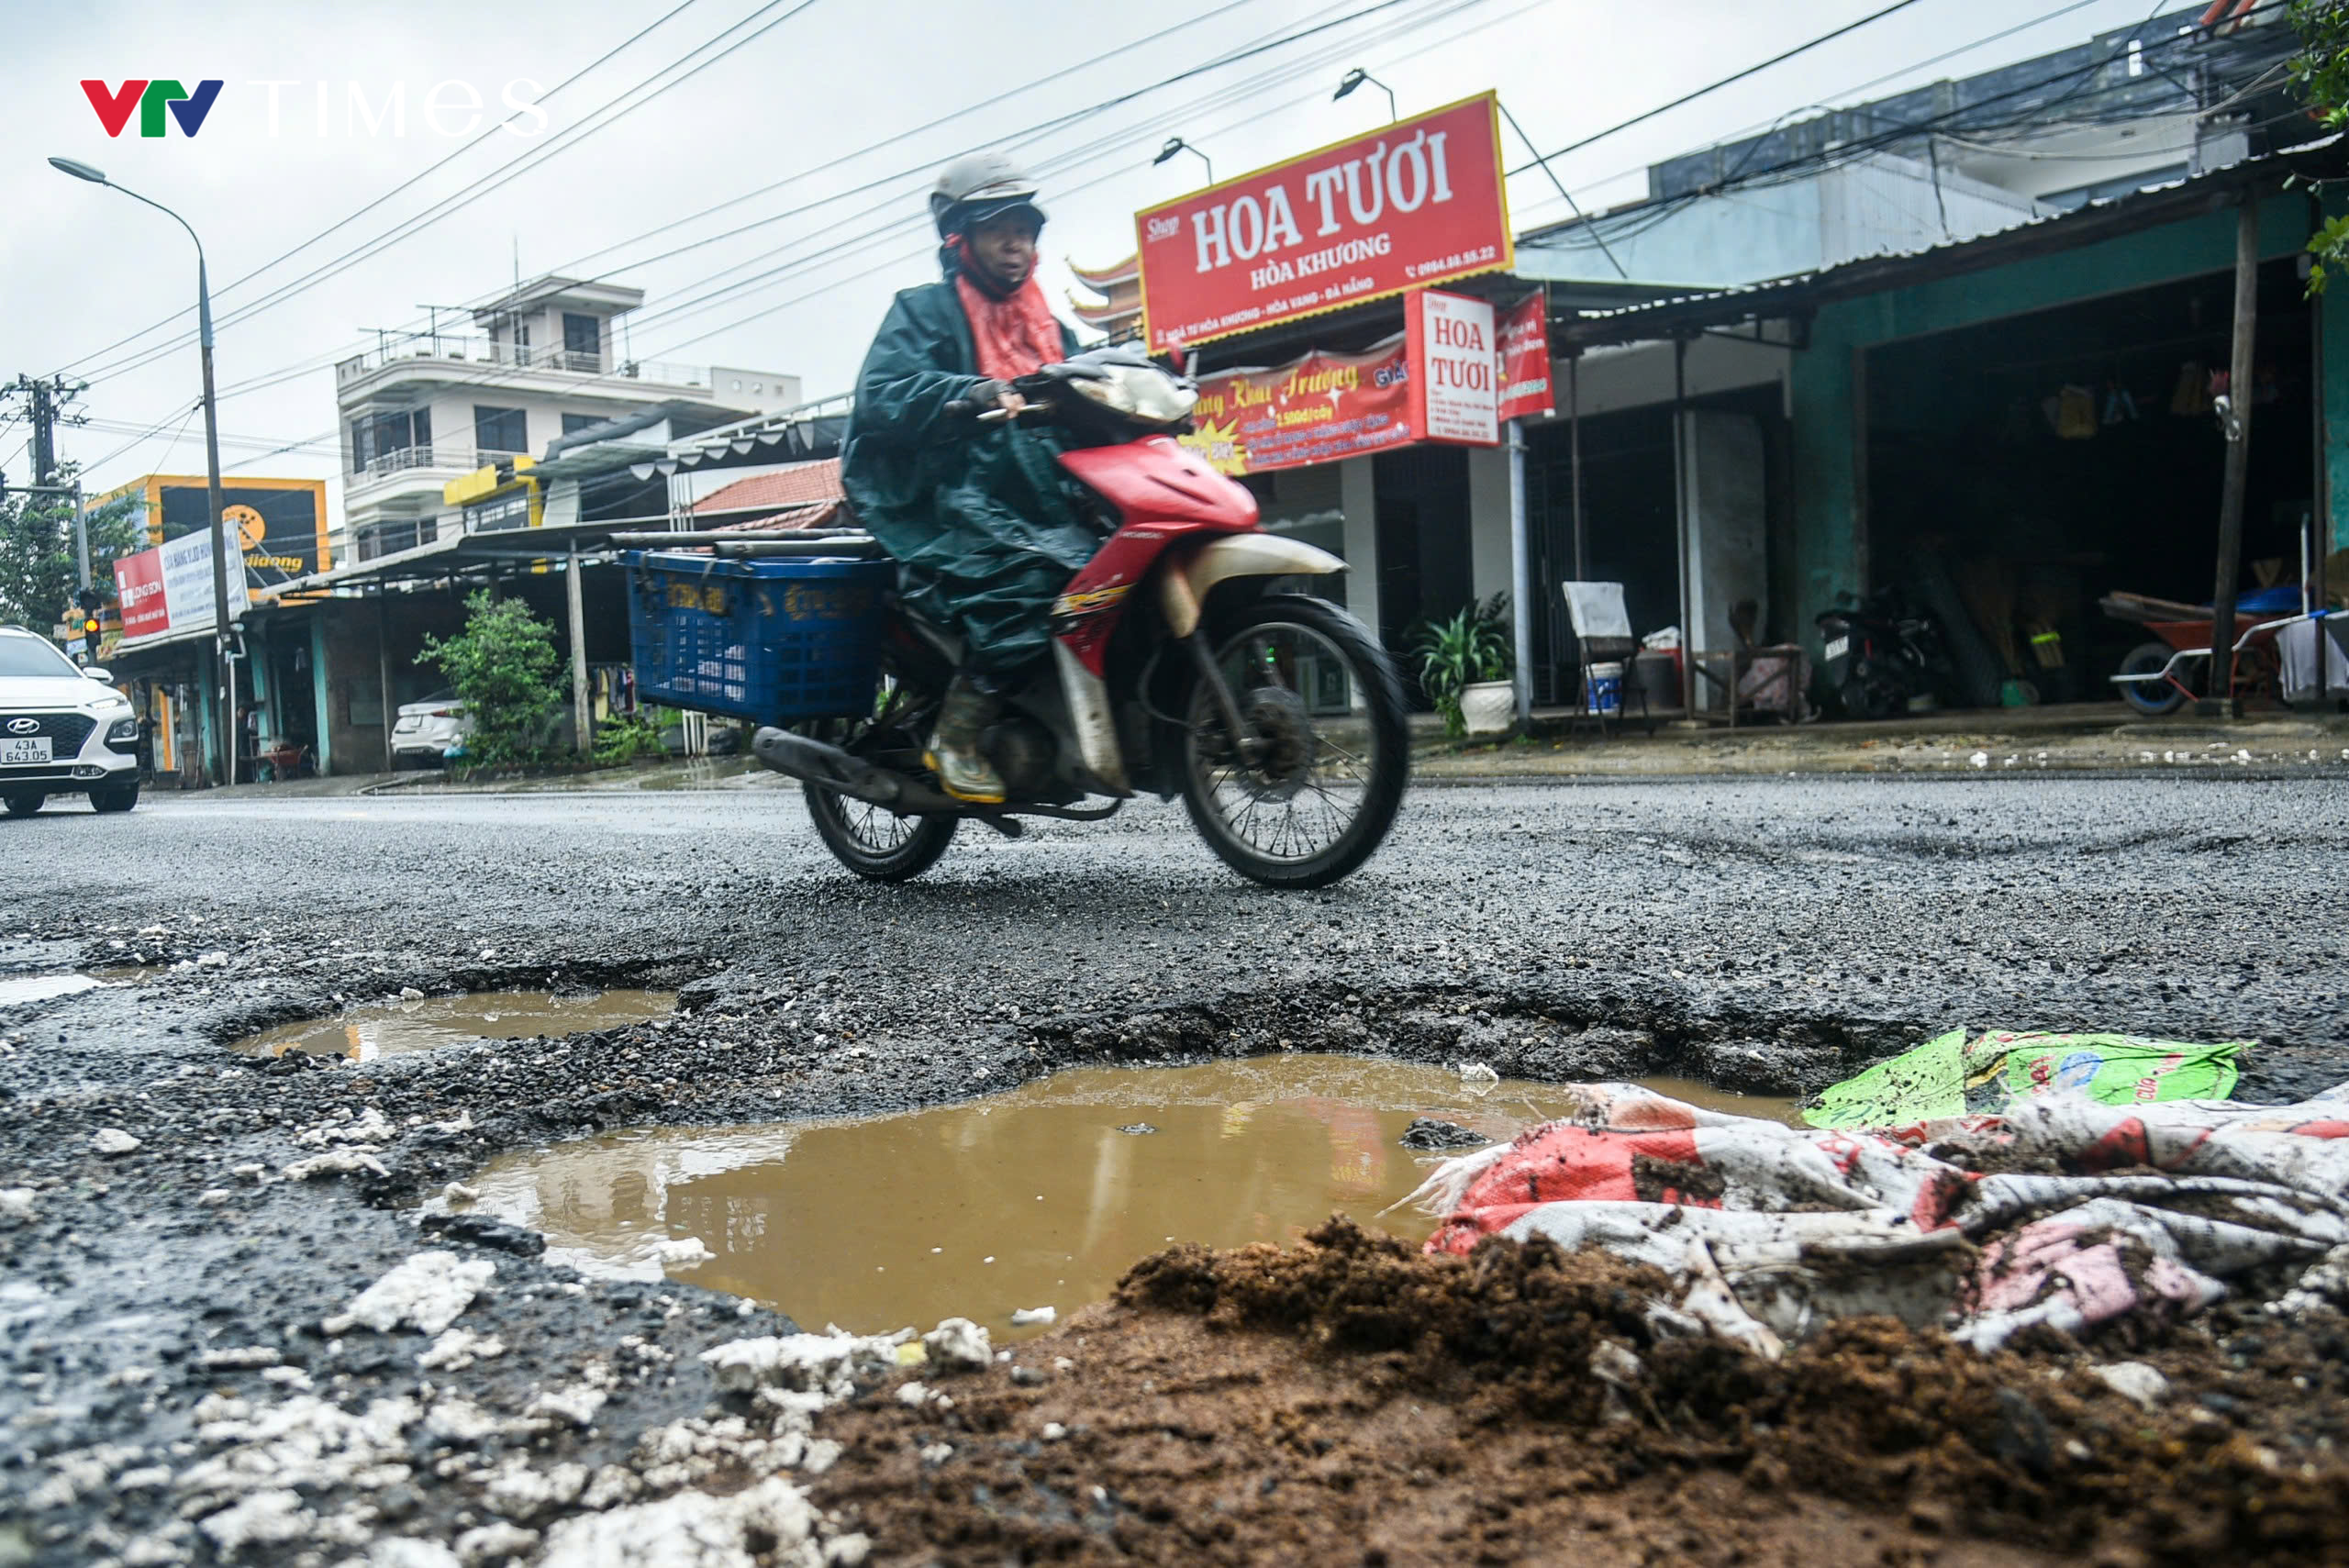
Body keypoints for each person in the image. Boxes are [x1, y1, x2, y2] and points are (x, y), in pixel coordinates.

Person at [840, 154, 1097, 806]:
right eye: (998, 229)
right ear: (959, 238)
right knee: (1029, 583)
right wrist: (966, 392)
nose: (1017, 244)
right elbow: (884, 393)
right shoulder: (923, 312)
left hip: (1043, 500)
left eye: (1025, 229)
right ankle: (959, 731)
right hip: (945, 503)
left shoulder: (1050, 324)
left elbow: (1091, 380)